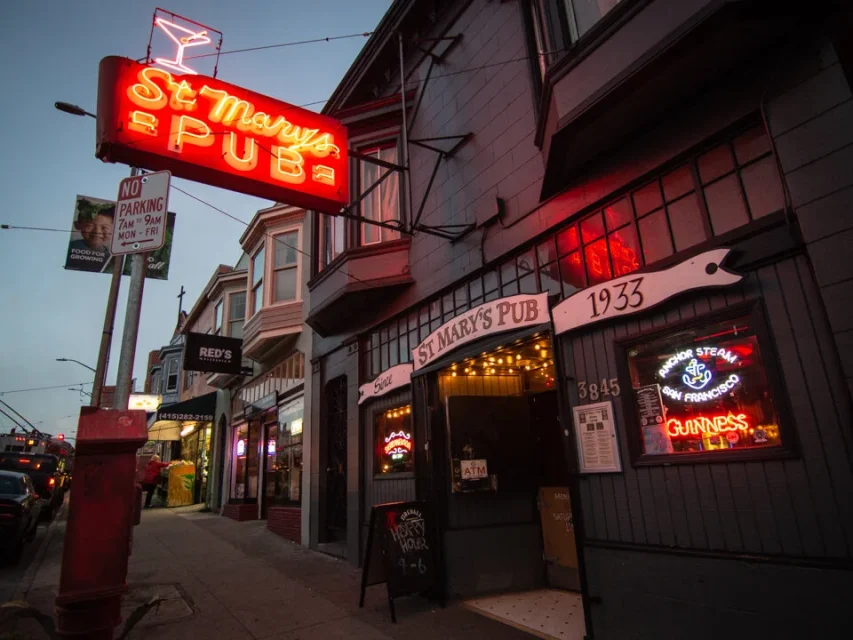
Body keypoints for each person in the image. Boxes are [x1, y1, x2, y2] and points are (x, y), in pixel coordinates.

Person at [65, 203, 115, 273]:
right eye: (90, 226)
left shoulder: (113, 258)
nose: (97, 232)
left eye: (105, 228)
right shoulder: (68, 249)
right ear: (77, 225)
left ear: (114, 230)